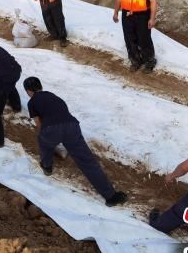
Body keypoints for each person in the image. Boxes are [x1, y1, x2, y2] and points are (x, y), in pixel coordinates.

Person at [23, 76, 128, 206]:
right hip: (71, 126)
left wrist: (46, 135)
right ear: (40, 86)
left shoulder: (32, 102)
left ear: (28, 91)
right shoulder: (55, 96)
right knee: (87, 161)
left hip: (51, 129)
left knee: (43, 142)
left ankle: (47, 166)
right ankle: (111, 196)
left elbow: (38, 123)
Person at [112, 0, 158, 73]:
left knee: (144, 39)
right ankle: (135, 60)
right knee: (129, 38)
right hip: (127, 14)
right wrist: (116, 12)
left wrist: (152, 18)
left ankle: (149, 61)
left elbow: (153, 1)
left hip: (142, 15)